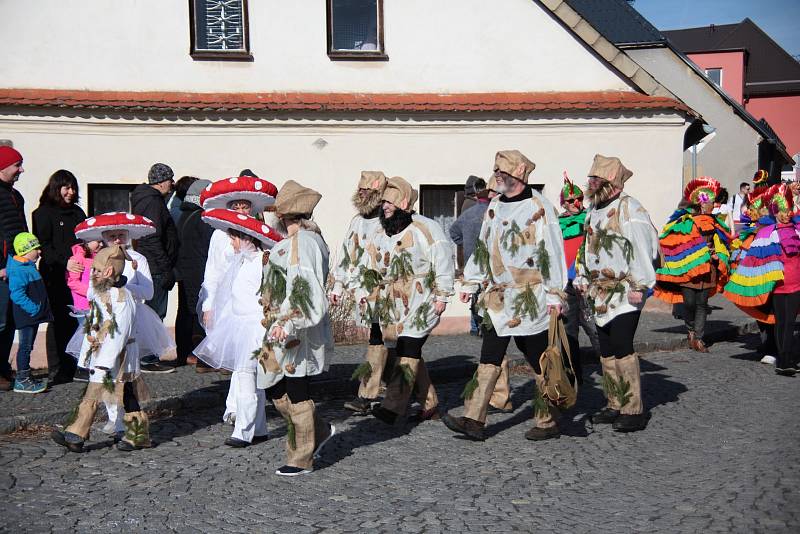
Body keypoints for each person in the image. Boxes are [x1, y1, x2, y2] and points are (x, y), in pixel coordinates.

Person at [441, 150, 567, 442]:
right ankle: (474, 420)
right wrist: (472, 282)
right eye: (496, 171)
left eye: (503, 172)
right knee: (489, 356)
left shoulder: (540, 207)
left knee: (537, 358)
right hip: (499, 297)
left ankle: (548, 418)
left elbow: (552, 251)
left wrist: (554, 295)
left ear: (519, 174)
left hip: (530, 297)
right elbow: (485, 247)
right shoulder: (495, 206)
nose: (497, 176)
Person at [355, 176, 454, 427]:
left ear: (404, 203)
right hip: (393, 303)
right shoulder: (380, 231)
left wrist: (442, 295)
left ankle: (393, 407)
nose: (385, 207)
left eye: (389, 202)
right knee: (407, 349)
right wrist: (364, 292)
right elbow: (370, 264)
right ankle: (430, 404)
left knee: (408, 347)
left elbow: (442, 260)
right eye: (383, 202)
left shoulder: (426, 227)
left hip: (422, 299)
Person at [254, 180, 335, 476]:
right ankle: (320, 429)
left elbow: (306, 290)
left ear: (285, 215)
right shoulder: (290, 243)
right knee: (271, 381)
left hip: (293, 329)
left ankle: (300, 457)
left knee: (297, 388)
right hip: (277, 324)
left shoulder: (305, 243)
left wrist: (290, 321)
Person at [574, 154, 659, 433]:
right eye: (591, 178)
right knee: (606, 350)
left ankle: (633, 409)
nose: (591, 183)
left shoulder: (630, 209)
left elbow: (643, 247)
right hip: (600, 293)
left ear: (612, 183)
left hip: (625, 290)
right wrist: (583, 276)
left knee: (622, 346)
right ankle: (614, 403)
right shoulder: (593, 211)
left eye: (596, 179)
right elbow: (586, 248)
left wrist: (640, 285)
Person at [194, 208, 283, 447]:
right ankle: (260, 428)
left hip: (253, 327)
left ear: (245, 238)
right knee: (251, 380)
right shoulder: (243, 261)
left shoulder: (260, 263)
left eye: (233, 238)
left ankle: (243, 431)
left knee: (246, 378)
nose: (230, 243)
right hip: (240, 324)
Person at [52, 245, 152, 452]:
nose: (92, 275)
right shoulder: (101, 290)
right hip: (102, 351)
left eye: (96, 271)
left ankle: (134, 435)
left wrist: (104, 361)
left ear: (108, 272)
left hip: (119, 354)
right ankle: (77, 434)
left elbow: (119, 334)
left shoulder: (122, 298)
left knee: (124, 392)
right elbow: (91, 299)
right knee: (101, 391)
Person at [330, 171, 391, 416]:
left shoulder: (389, 221)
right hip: (364, 293)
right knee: (392, 345)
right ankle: (427, 401)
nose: (363, 193)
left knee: (385, 343)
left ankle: (367, 394)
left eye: (369, 191)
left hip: (387, 292)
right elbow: (347, 253)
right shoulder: (357, 221)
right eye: (361, 190)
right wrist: (338, 285)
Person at [724, 184, 800, 376]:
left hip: (789, 285)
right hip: (783, 286)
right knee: (785, 323)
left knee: (785, 322)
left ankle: (784, 358)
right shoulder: (772, 232)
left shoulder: (787, 231)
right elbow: (754, 260)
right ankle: (784, 360)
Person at [655, 177, 731, 352]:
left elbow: (722, 243)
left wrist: (718, 255)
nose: (714, 204)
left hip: (708, 268)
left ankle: (699, 337)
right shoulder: (685, 221)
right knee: (689, 302)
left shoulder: (715, 222)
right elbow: (675, 242)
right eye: (711, 201)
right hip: (689, 269)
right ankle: (690, 330)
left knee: (702, 303)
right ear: (702, 204)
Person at [32, 169, 86, 384]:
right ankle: (57, 368)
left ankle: (73, 364)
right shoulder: (43, 213)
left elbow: (84, 238)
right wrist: (66, 261)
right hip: (55, 274)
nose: (71, 192)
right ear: (57, 188)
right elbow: (44, 245)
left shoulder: (77, 213)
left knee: (76, 319)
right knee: (57, 320)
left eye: (73, 187)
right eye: (66, 187)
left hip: (78, 275)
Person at [557, 172, 601, 381]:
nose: (575, 202)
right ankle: (572, 376)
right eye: (570, 200)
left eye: (578, 198)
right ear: (563, 202)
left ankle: (610, 369)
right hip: (565, 284)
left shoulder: (590, 218)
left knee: (595, 328)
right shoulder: (556, 223)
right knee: (567, 332)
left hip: (586, 281)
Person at [130, 163, 177, 320]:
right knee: (155, 317)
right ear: (162, 181)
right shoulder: (153, 202)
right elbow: (151, 237)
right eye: (170, 179)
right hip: (156, 269)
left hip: (153, 264)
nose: (172, 183)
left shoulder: (148, 199)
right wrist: (166, 270)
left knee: (151, 315)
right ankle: (151, 345)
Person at [7, 232, 52, 393]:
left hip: (31, 315)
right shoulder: (20, 270)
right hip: (27, 316)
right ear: (25, 251)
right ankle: (22, 379)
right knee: (25, 347)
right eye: (35, 248)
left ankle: (25, 375)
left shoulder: (28, 265)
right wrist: (34, 309)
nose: (39, 252)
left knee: (28, 346)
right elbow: (17, 294)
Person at [174, 180, 213, 367]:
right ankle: (200, 357)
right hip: (199, 270)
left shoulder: (184, 215)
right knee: (199, 313)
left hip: (186, 270)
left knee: (186, 312)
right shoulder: (202, 217)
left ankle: (185, 353)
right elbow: (208, 246)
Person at [0, 145, 28, 391]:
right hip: (2, 269)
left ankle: (2, 369)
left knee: (10, 321)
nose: (21, 170)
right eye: (16, 165)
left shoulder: (16, 196)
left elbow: (21, 232)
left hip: (17, 268)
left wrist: (29, 254)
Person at [66, 238, 104, 381]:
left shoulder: (99, 257)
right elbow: (72, 282)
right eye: (97, 241)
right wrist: (90, 292)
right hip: (83, 303)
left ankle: (92, 365)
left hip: (96, 302)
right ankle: (81, 368)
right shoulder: (77, 258)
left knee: (95, 334)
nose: (100, 244)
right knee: (84, 336)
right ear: (86, 242)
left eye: (102, 241)